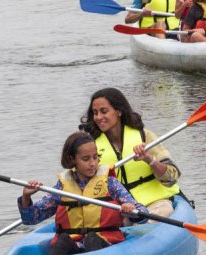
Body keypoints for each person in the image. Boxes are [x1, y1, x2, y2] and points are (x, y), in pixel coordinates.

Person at [18, 131, 148, 255]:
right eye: (86, 159)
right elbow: (31, 219)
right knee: (63, 240)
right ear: (72, 159)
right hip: (76, 247)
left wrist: (129, 210)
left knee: (92, 238)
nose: (92, 163)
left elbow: (142, 213)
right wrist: (26, 197)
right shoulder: (62, 187)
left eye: (95, 157)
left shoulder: (110, 182)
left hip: (106, 245)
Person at [80, 88, 189, 223]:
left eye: (104, 111)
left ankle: (141, 232)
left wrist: (149, 159)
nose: (98, 118)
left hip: (155, 203)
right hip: (119, 208)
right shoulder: (91, 146)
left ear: (118, 111)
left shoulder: (144, 136)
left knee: (164, 212)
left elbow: (172, 177)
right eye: (95, 113)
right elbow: (76, 181)